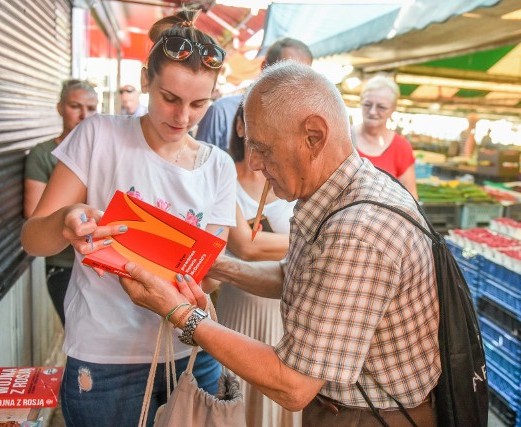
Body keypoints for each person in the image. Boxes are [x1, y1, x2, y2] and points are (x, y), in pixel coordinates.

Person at [118, 61, 441, 427]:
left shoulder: (357, 230)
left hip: (371, 418)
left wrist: (179, 313)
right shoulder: (335, 190)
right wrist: (217, 266)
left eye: (262, 147)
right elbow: (296, 275)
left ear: (314, 136)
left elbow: (293, 383)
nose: (253, 162)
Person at [20, 9, 237, 427]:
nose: (182, 117)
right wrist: (66, 219)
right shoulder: (99, 135)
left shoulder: (219, 167)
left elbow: (210, 277)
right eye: (169, 98)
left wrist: (198, 275)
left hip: (192, 350)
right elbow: (34, 240)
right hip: (104, 359)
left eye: (199, 104)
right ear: (144, 81)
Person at [216, 104, 299, 427]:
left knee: (279, 401)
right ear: (240, 127)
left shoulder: (291, 181)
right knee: (235, 399)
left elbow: (249, 244)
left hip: (285, 310)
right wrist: (306, 241)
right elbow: (244, 246)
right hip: (238, 304)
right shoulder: (224, 174)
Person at [23, 78, 98, 326]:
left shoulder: (103, 154)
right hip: (64, 265)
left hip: (102, 263)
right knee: (81, 334)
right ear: (60, 108)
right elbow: (34, 213)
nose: (83, 115)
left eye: (91, 108)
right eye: (75, 106)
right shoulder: (43, 154)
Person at [195, 37, 313, 151]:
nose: (296, 84)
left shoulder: (298, 128)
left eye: (303, 77)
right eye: (288, 73)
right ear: (264, 67)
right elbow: (197, 165)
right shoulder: (222, 112)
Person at [352, 75, 418, 199]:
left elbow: (411, 198)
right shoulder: (343, 138)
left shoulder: (401, 147)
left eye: (381, 107)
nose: (372, 111)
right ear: (361, 102)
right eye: (367, 104)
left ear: (392, 109)